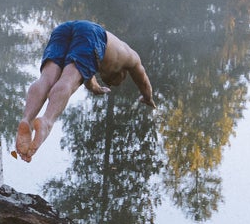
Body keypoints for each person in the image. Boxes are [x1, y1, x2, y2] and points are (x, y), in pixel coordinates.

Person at [15, 20, 154, 161]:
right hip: (94, 34)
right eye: (114, 82)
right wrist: (148, 98)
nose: (111, 83)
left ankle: (27, 118)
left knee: (46, 78)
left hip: (65, 28)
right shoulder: (131, 58)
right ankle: (47, 121)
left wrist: (96, 88)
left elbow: (89, 75)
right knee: (68, 80)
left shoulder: (106, 55)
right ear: (122, 73)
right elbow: (143, 81)